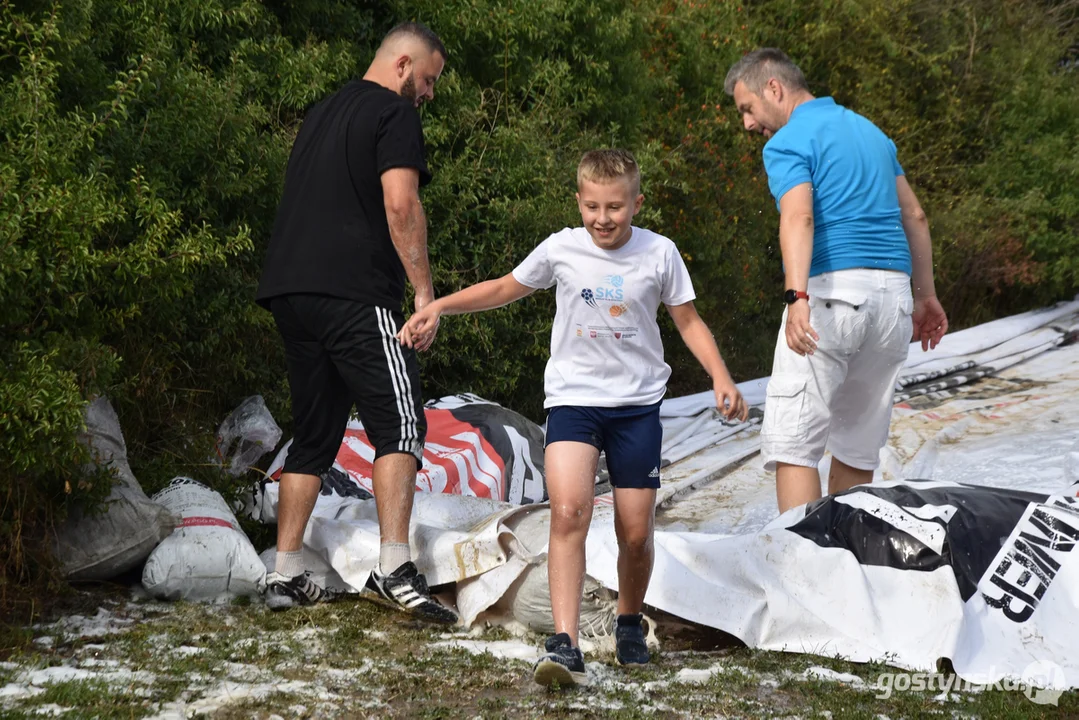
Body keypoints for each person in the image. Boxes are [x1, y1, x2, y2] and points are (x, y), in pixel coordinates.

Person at [399, 149, 747, 686]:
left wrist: (721, 377)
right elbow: (503, 288)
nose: (602, 219)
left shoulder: (661, 253)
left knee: (635, 532)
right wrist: (440, 304)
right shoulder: (562, 248)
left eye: (614, 207)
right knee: (568, 512)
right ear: (578, 201)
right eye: (591, 207)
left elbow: (689, 321)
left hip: (636, 409)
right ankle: (565, 643)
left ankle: (629, 621)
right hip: (573, 402)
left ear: (637, 202)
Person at [254, 22, 456, 623]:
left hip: (291, 290)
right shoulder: (394, 116)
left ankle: (284, 572)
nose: (428, 94)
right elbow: (401, 203)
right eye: (426, 80)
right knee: (401, 421)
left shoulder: (322, 111)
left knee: (314, 433)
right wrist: (423, 291)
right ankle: (394, 569)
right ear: (401, 65)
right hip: (353, 292)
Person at [724, 49, 949, 514]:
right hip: (893, 305)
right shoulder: (873, 133)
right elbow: (916, 215)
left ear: (773, 88)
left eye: (747, 108)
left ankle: (803, 577)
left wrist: (797, 296)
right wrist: (926, 296)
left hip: (833, 299)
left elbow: (799, 217)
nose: (747, 124)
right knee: (855, 447)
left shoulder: (787, 142)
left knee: (794, 445)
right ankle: (845, 566)